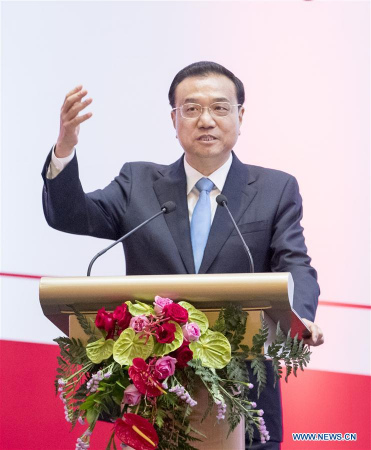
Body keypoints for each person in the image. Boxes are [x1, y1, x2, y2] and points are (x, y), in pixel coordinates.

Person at [42, 61, 324, 449]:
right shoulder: (137, 183)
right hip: (150, 395)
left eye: (220, 108)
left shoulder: (275, 189)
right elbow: (70, 214)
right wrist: (65, 150)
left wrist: (301, 314)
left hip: (242, 396)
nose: (205, 120)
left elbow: (294, 263)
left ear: (241, 116)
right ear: (173, 120)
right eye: (191, 109)